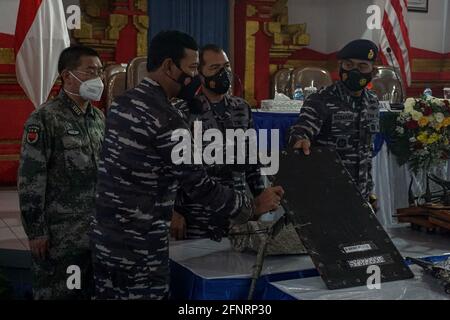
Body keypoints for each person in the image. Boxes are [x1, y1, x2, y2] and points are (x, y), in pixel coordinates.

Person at [91, 30, 284, 300]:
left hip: (108, 238)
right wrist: (252, 206)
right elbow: (198, 185)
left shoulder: (124, 103)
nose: (195, 77)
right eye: (193, 68)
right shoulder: (167, 118)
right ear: (169, 66)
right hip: (140, 247)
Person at [18, 46, 105, 299]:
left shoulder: (98, 118)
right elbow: (31, 179)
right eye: (90, 71)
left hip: (94, 233)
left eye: (99, 71)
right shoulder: (45, 118)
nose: (97, 79)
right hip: (61, 237)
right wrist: (36, 231)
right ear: (67, 75)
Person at [171, 44, 266, 240]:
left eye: (227, 67)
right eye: (215, 68)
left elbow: (252, 161)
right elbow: (172, 169)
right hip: (198, 215)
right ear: (200, 73)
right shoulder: (184, 111)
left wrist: (260, 198)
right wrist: (173, 211)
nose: (224, 73)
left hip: (239, 213)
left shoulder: (241, 108)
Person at [288, 39, 380, 206]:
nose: (354, 71)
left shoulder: (373, 102)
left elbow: (366, 153)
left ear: (372, 72)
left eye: (362, 67)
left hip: (361, 196)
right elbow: (303, 127)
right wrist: (300, 138)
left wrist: (370, 195)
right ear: (340, 66)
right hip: (327, 195)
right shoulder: (321, 99)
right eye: (348, 65)